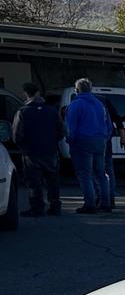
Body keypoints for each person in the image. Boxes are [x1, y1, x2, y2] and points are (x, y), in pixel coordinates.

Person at [11, 81, 64, 217]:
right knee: (52, 181)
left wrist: (22, 145)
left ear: (25, 94)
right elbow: (62, 131)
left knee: (34, 182)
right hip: (50, 151)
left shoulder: (22, 111)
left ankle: (37, 208)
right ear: (38, 93)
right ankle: (55, 206)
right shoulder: (52, 110)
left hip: (31, 152)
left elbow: (17, 134)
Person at [63, 77, 112, 214]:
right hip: (100, 141)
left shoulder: (75, 105)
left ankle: (90, 204)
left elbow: (70, 127)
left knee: (85, 174)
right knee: (100, 173)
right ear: (90, 89)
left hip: (82, 142)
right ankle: (105, 203)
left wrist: (70, 140)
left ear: (77, 90)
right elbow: (109, 126)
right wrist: (104, 138)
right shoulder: (100, 104)